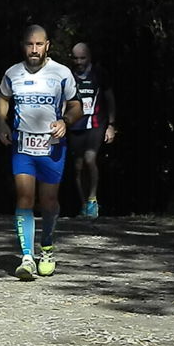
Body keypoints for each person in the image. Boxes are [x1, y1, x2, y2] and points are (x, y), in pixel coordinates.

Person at [0, 24, 83, 281]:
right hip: (22, 145)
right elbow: (3, 97)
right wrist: (2, 123)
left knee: (48, 201)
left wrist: (65, 122)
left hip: (52, 147)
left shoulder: (61, 73)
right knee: (24, 197)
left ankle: (46, 248)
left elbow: (77, 105)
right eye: (29, 44)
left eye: (39, 44)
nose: (34, 50)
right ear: (23, 46)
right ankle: (26, 257)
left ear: (48, 46)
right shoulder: (13, 73)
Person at [67, 42, 116, 219]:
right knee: (78, 166)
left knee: (90, 158)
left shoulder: (99, 74)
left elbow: (110, 98)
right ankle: (83, 205)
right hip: (76, 125)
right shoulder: (68, 75)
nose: (79, 61)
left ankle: (93, 200)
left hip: (97, 123)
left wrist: (111, 124)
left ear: (89, 57)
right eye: (76, 58)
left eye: (82, 58)